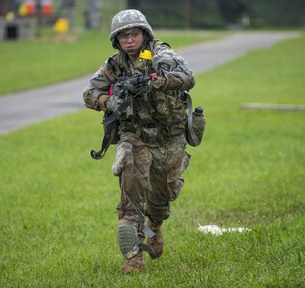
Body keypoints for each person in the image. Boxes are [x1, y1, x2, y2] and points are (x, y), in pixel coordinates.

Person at [83, 9, 196, 273]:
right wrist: (107, 101)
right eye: (123, 36)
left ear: (144, 34)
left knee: (160, 200)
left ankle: (154, 228)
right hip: (134, 138)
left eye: (134, 34)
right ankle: (134, 259)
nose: (130, 40)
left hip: (169, 137)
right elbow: (89, 92)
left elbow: (188, 77)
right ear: (117, 40)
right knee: (130, 204)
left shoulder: (161, 54)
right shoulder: (115, 64)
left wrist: (162, 81)